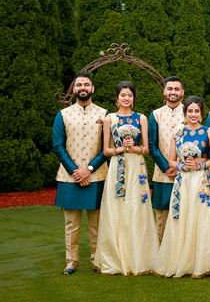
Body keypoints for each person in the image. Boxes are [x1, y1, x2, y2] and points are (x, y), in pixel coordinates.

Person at [153, 96, 210, 278]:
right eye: (190, 111)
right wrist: (182, 166)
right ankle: (181, 259)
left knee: (203, 217)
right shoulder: (179, 133)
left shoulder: (209, 132)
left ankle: (205, 262)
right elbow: (171, 160)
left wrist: (199, 165)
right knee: (183, 215)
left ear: (202, 113)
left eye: (196, 111)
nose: (193, 114)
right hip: (184, 179)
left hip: (202, 178)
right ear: (185, 113)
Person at [94, 82, 159, 275]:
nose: (126, 98)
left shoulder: (141, 118)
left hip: (136, 166)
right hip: (117, 166)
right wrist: (121, 148)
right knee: (116, 208)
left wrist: (133, 147)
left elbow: (146, 148)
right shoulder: (109, 119)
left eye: (130, 95)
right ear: (116, 98)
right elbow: (105, 150)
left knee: (136, 207)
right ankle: (115, 257)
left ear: (133, 98)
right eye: (123, 95)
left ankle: (139, 257)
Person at [52, 71, 108, 275]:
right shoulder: (63, 115)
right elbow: (58, 146)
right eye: (78, 85)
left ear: (92, 88)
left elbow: (107, 147)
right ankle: (71, 262)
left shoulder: (104, 114)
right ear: (74, 89)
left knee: (97, 224)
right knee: (71, 225)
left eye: (86, 84)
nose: (82, 87)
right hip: (69, 177)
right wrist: (76, 172)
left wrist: (89, 169)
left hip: (97, 176)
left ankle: (96, 259)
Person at [148, 76, 185, 243]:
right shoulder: (155, 114)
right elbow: (152, 145)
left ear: (182, 92)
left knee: (183, 213)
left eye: (177, 89)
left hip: (185, 173)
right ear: (164, 91)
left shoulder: (190, 113)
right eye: (170, 89)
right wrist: (167, 167)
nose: (173, 92)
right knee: (162, 216)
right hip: (162, 174)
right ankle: (160, 253)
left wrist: (180, 167)